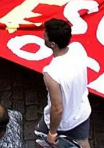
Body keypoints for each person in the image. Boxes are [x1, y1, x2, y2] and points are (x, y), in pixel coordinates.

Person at [38, 19, 91, 148]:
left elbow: (57, 108)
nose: (42, 37)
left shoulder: (51, 73)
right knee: (83, 143)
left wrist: (52, 133)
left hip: (63, 123)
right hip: (82, 113)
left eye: (45, 36)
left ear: (53, 44)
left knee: (40, 141)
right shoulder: (78, 48)